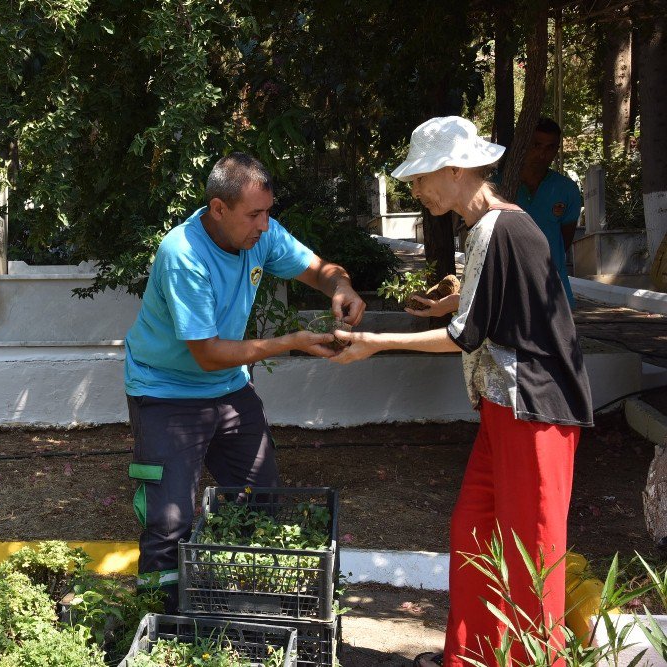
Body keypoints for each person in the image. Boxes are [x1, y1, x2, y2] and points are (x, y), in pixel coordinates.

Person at [331, 117, 593, 667]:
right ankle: (471, 657)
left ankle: (534, 661)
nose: (417, 189)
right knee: (473, 534)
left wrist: (373, 342)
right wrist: (451, 302)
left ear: (454, 169)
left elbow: (466, 335)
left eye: (422, 177)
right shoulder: (489, 228)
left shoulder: (502, 227)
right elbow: (500, 306)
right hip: (505, 409)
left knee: (532, 558)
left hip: (536, 410)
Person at [124, 152, 366, 612]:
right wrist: (290, 341)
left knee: (261, 501)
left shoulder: (260, 234)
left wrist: (341, 287)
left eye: (267, 212)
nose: (264, 224)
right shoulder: (183, 255)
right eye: (254, 214)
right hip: (165, 393)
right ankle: (159, 625)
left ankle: (238, 611)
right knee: (169, 521)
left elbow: (317, 268)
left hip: (229, 390)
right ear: (219, 209)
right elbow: (208, 353)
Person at [516, 117, 582, 308]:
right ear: (524, 144)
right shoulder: (501, 185)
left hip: (552, 289)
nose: (542, 154)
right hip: (510, 285)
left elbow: (565, 239)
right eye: (536, 145)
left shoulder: (566, 190)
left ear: (556, 150)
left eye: (550, 147)